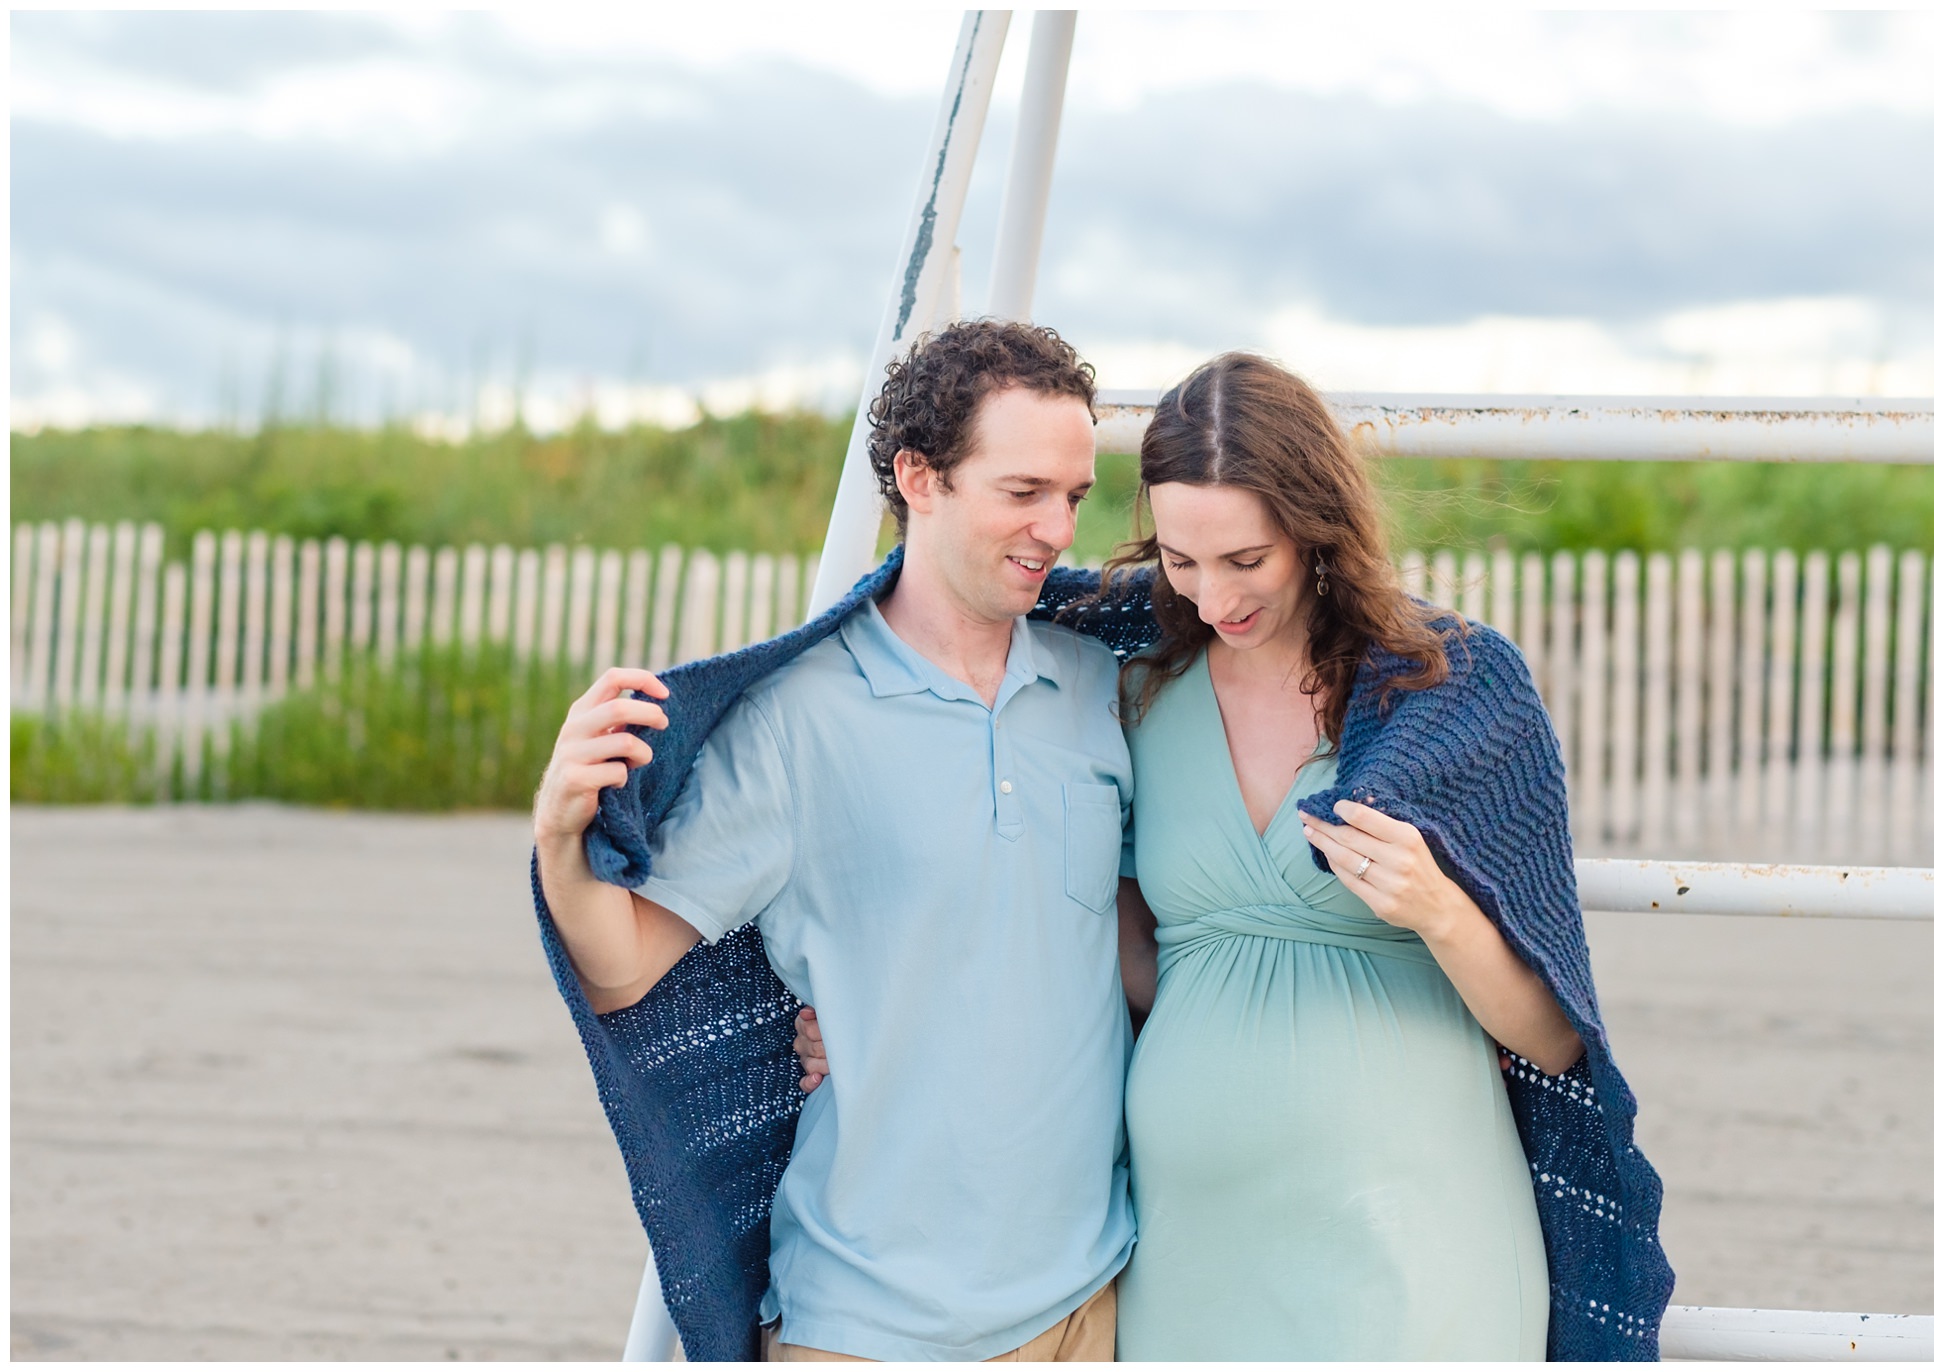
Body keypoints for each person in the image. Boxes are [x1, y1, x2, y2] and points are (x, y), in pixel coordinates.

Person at [793, 352, 1676, 1360]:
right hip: (1188, 1248)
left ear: (1314, 526)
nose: (1212, 597)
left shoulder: (1449, 688)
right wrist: (870, 1011)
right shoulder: (1134, 692)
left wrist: (1437, 908)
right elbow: (1073, 932)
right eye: (1179, 561)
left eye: (1244, 560)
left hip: (1408, 1233)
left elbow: (1554, 1040)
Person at [531, 320, 1134, 1361]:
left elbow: (1136, 950)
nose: (1056, 530)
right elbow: (624, 967)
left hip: (1087, 1309)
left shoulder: (1097, 688)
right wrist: (556, 835)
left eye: (1073, 496)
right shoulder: (794, 719)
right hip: (868, 1324)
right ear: (919, 477)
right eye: (1023, 491)